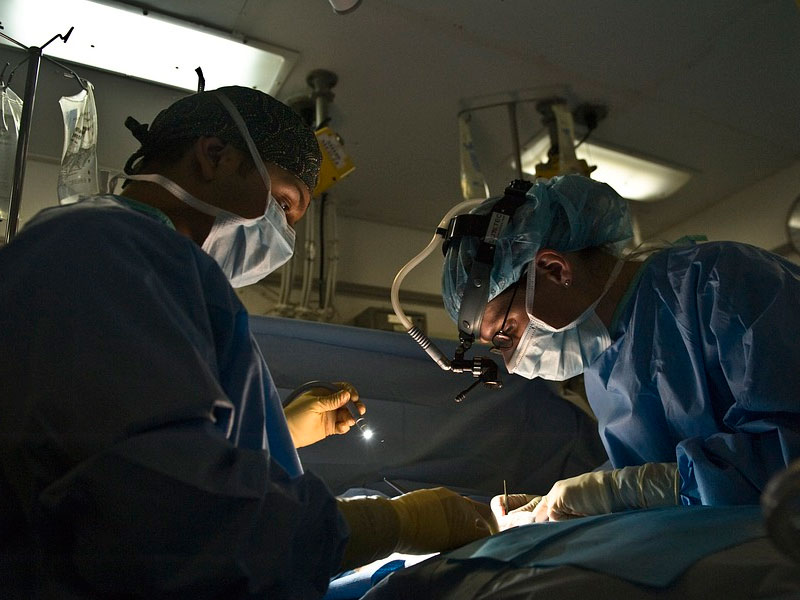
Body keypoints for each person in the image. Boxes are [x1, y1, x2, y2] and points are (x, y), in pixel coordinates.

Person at [0, 86, 495, 598]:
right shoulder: (108, 251)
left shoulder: (152, 267)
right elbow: (171, 515)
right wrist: (395, 523)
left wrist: (278, 431)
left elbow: (133, 438)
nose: (282, 236)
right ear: (215, 156)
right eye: (282, 202)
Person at [441, 174, 800, 524]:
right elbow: (646, 471)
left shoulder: (724, 282)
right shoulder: (602, 368)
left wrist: (623, 491)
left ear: (554, 270)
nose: (510, 363)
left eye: (505, 334)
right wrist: (561, 502)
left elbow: (788, 455)